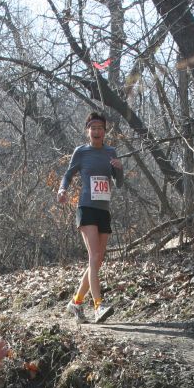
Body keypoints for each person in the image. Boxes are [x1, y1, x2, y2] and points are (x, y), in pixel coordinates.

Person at [57, 111, 124, 324]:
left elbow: (119, 183)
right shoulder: (81, 152)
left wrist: (119, 169)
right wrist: (62, 189)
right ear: (88, 131)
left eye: (100, 128)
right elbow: (68, 174)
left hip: (103, 209)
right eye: (93, 128)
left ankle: (76, 302)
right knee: (94, 255)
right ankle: (98, 305)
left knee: (97, 259)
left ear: (105, 132)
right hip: (86, 207)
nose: (96, 132)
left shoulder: (111, 152)